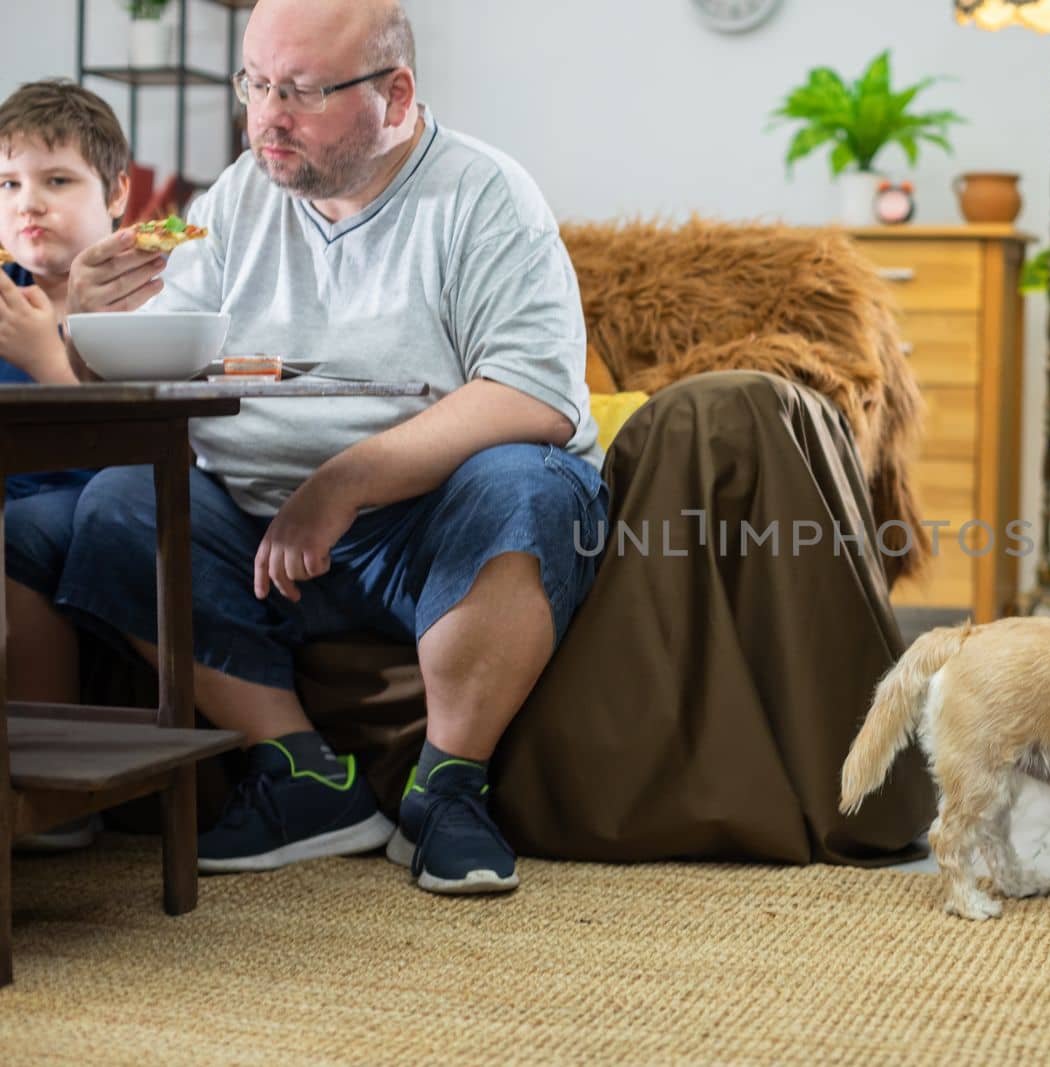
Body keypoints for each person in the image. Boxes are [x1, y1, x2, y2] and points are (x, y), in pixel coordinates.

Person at [60, 0, 604, 895]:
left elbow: (536, 393)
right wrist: (89, 317)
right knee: (120, 505)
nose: (268, 116)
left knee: (531, 486)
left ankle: (449, 789)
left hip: (428, 525)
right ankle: (306, 777)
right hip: (252, 524)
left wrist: (346, 480)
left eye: (302, 92)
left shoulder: (485, 195)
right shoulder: (237, 197)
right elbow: (154, 368)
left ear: (396, 95)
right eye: (257, 83)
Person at [0, 79, 133, 852]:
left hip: (87, 500)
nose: (29, 204)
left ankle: (53, 790)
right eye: (10, 184)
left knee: (20, 529)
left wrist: (45, 354)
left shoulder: (135, 298)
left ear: (117, 192)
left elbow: (129, 443)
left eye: (57, 181)